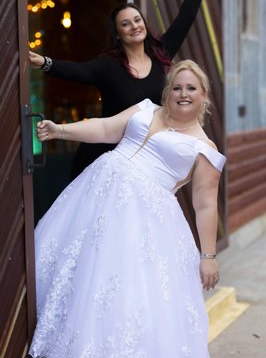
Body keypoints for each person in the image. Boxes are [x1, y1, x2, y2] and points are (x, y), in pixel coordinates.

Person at [28, 59, 226, 358]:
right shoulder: (145, 109)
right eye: (176, 87)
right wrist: (60, 131)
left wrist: (208, 256)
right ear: (167, 91)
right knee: (78, 271)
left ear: (204, 96)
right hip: (95, 196)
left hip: (143, 219)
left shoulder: (205, 148)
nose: (182, 93)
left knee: (120, 288)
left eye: (191, 88)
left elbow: (205, 204)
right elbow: (107, 129)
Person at [29, 0, 219, 180]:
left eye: (137, 20)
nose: (134, 26)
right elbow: (76, 71)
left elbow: (186, 16)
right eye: (125, 24)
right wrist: (44, 62)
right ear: (118, 33)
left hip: (144, 157)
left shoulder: (161, 54)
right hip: (103, 157)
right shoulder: (108, 65)